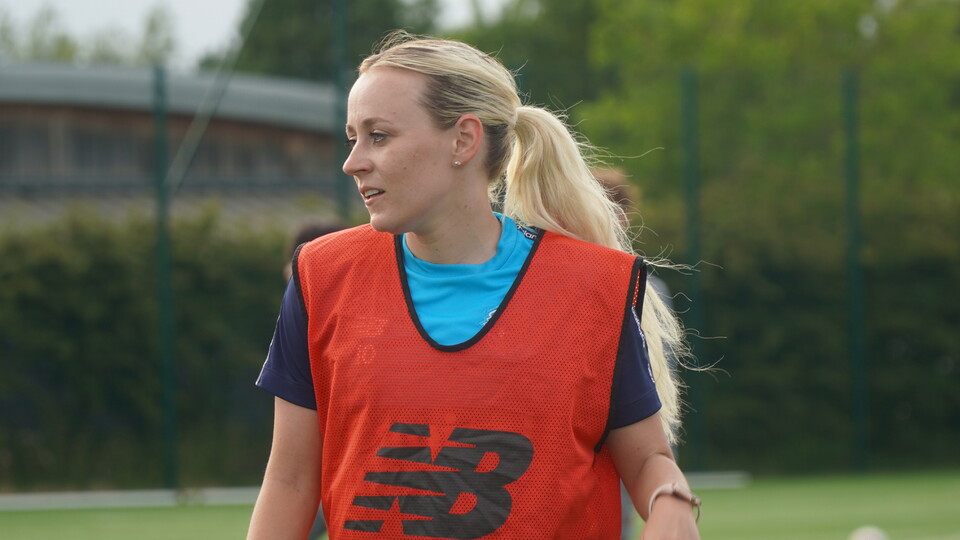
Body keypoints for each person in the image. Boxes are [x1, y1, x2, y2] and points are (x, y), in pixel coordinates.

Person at [248, 31, 700, 540]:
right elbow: (289, 481)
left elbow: (646, 461)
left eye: (379, 136)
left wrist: (673, 503)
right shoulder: (321, 276)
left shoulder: (592, 286)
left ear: (463, 140)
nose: (353, 161)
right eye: (353, 137)